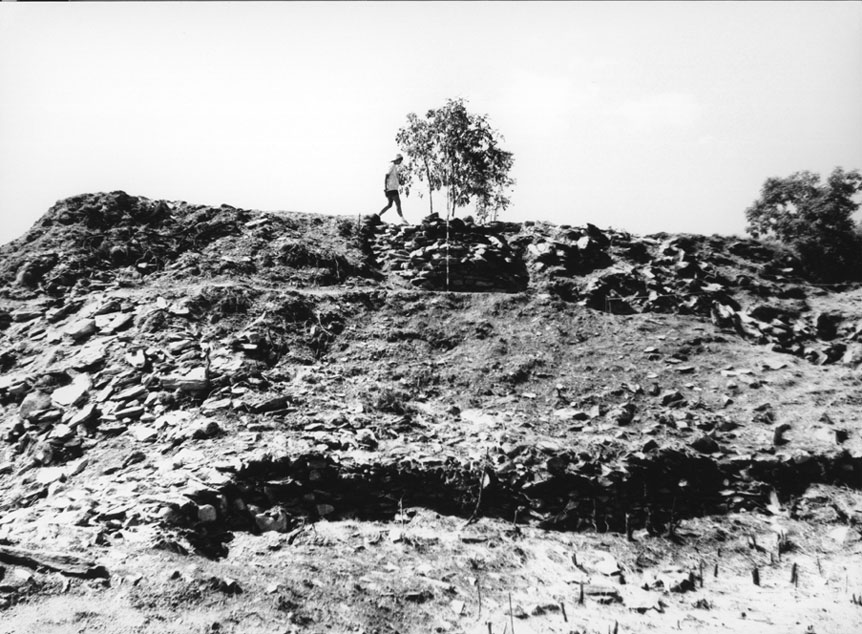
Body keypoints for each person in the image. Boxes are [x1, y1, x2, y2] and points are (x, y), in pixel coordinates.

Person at [379, 153, 406, 223]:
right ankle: (402, 219)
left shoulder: (394, 167)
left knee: (389, 205)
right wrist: (385, 188)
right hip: (392, 188)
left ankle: (378, 215)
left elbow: (394, 178)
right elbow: (386, 176)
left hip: (390, 188)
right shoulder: (392, 166)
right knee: (398, 203)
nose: (400, 162)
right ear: (397, 160)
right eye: (400, 160)